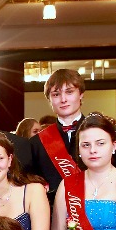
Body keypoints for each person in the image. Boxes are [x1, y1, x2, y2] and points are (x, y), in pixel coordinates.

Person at [29, 69, 87, 202]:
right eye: (56, 94)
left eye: (69, 92)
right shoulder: (36, 143)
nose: (63, 99)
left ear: (81, 94)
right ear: (49, 99)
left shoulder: (100, 134)